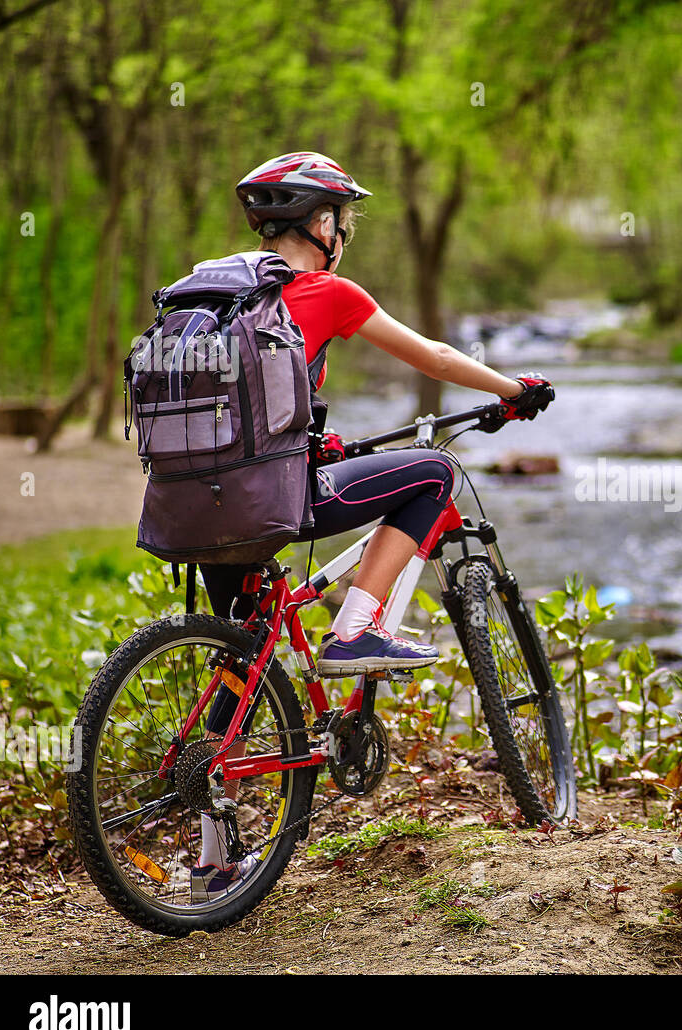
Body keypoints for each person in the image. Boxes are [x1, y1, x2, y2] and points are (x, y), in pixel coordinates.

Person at [190, 151, 552, 900]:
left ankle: (211, 855)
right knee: (435, 472)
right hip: (276, 500)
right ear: (319, 224)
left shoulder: (212, 292)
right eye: (341, 219)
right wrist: (513, 388)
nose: (342, 232)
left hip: (193, 504)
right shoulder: (324, 290)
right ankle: (355, 628)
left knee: (237, 659)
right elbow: (440, 357)